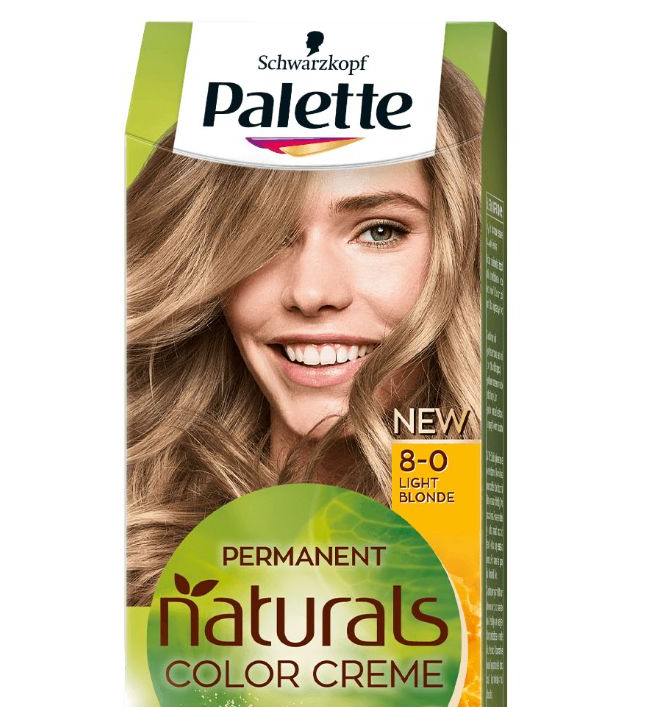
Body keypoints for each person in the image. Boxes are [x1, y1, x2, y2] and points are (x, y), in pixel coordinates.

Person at [127, 60, 483, 605]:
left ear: (466, 251)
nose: (311, 292)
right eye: (263, 234)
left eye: (380, 231)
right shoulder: (134, 528)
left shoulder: (492, 538)